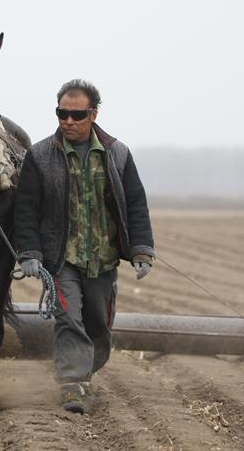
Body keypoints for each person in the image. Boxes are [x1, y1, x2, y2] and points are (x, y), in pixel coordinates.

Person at [13, 79, 155, 414]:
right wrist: (30, 253)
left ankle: (84, 373)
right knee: (68, 318)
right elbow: (26, 209)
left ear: (93, 114)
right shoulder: (40, 156)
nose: (68, 121)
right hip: (62, 259)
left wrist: (141, 249)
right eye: (62, 113)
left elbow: (135, 204)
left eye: (77, 114)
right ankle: (71, 385)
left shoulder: (117, 154)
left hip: (103, 259)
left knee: (98, 327)